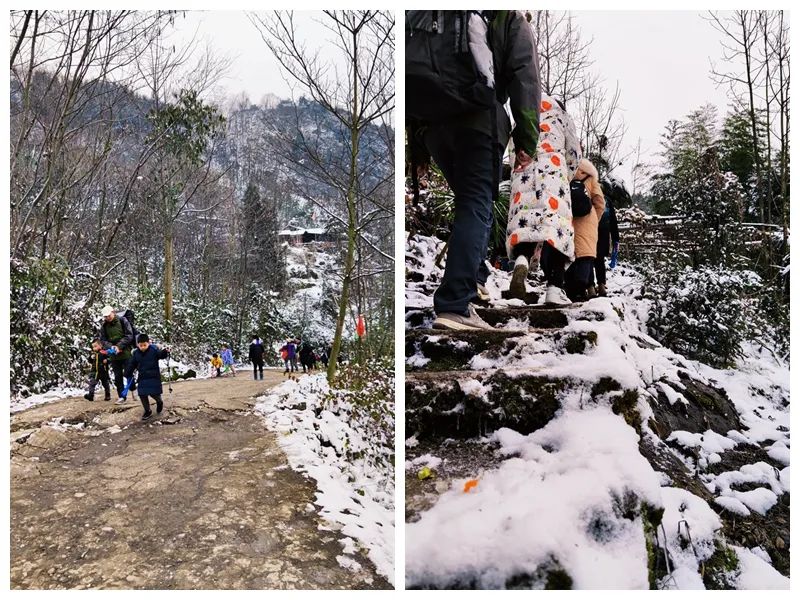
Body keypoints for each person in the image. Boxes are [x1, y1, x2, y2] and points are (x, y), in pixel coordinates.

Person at [406, 10, 541, 330]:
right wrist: (527, 139)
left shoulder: (427, 12)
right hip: (478, 120)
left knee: (472, 204)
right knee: (477, 205)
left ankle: (476, 277)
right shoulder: (507, 18)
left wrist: (419, 150)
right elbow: (525, 75)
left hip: (433, 129)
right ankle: (455, 302)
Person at [506, 96, 582, 306]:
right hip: (554, 175)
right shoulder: (561, 116)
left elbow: (513, 150)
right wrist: (566, 174)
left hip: (525, 173)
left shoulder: (523, 115)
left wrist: (518, 169)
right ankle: (554, 291)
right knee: (557, 232)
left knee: (526, 226)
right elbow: (574, 152)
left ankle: (522, 260)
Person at [564, 159, 605, 302]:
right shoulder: (591, 178)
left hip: (567, 220)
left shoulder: (564, 173)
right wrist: (594, 219)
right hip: (588, 223)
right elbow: (600, 202)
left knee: (570, 255)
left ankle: (570, 291)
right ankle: (581, 290)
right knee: (586, 256)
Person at [124, 333, 170, 421]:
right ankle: (147, 410)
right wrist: (127, 372)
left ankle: (159, 402)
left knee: (154, 394)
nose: (143, 347)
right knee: (142, 394)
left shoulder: (153, 350)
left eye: (144, 345)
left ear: (148, 343)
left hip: (154, 377)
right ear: (138, 345)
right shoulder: (136, 353)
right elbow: (132, 364)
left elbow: (161, 355)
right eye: (140, 345)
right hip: (142, 377)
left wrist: (165, 351)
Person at [99, 305, 136, 403]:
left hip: (126, 353)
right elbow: (103, 340)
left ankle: (133, 390)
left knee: (128, 373)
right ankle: (122, 396)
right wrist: (111, 347)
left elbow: (129, 335)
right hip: (114, 356)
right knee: (117, 376)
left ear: (113, 312)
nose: (107, 318)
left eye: (108, 315)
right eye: (105, 316)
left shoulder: (123, 321)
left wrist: (119, 346)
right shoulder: (104, 326)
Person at [591, 183, 621, 297]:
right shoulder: (606, 201)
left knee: (588, 259)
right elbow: (613, 222)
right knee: (599, 260)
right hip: (604, 234)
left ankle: (590, 287)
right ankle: (602, 285)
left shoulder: (588, 198)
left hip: (590, 232)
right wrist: (615, 238)